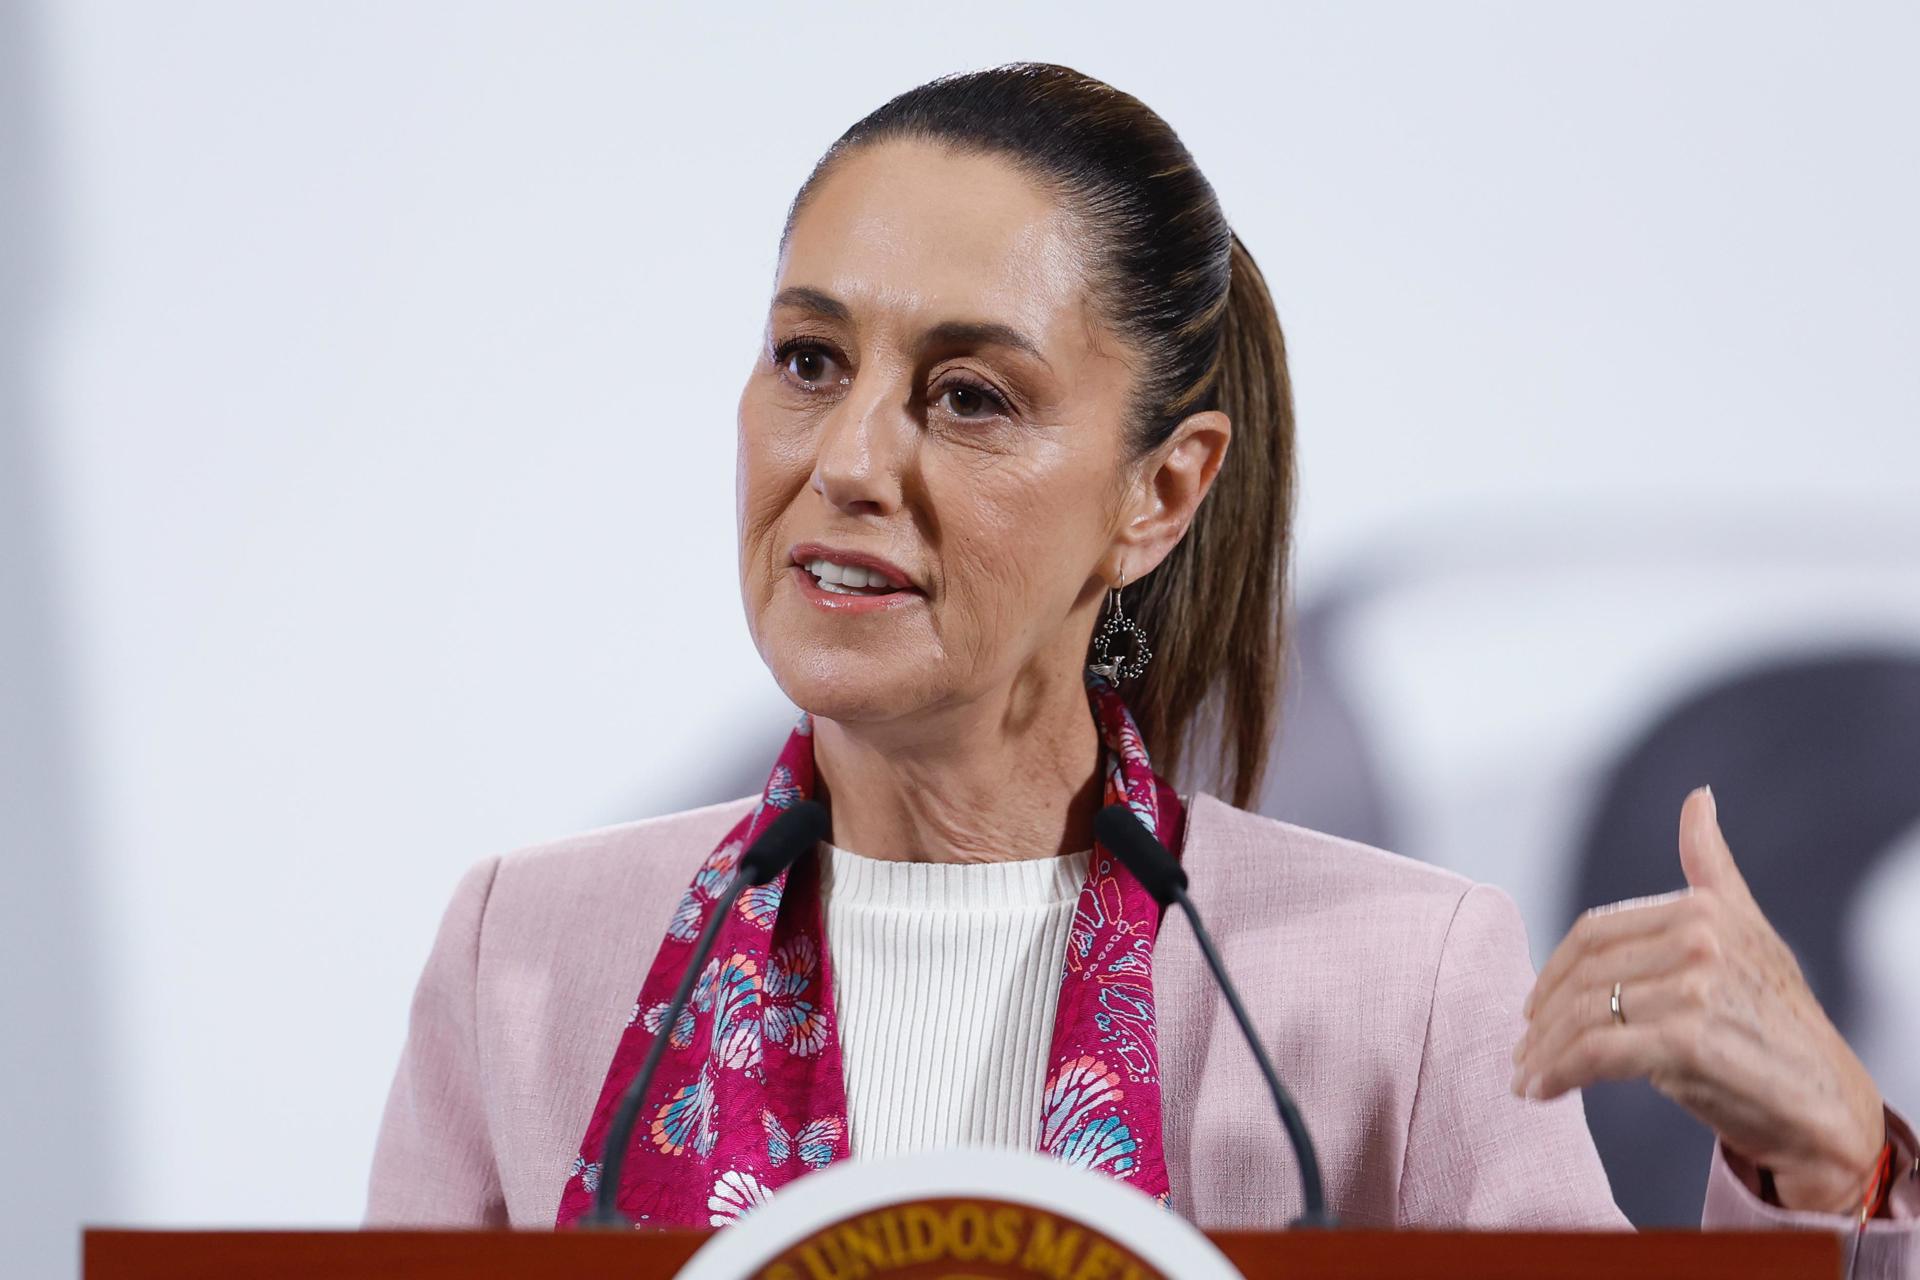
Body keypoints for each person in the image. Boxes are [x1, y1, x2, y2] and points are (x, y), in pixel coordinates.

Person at [365, 63, 1915, 1265]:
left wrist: (1836, 1176)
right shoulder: (532, 955)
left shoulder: (1393, 983)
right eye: (810, 360)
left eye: (967, 395)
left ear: (1159, 492)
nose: (845, 458)